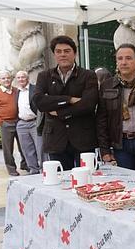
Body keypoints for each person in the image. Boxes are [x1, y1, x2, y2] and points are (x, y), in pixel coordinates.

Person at [34, 35, 98, 170]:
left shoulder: (88, 75)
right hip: (56, 139)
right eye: (58, 51)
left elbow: (88, 104)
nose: (63, 55)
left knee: (88, 180)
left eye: (67, 51)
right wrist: (69, 99)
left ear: (75, 53)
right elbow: (39, 102)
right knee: (60, 182)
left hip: (83, 138)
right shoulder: (44, 76)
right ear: (54, 54)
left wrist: (58, 111)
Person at [96, 43, 135, 175]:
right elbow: (102, 120)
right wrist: (105, 150)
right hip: (121, 145)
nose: (124, 62)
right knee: (127, 184)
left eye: (128, 58)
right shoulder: (107, 86)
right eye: (120, 58)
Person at [0, 70, 20, 176]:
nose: (6, 80)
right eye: (3, 78)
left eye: (8, 78)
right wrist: (1, 122)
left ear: (11, 79)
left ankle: (26, 165)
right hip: (6, 124)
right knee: (8, 149)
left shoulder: (16, 91)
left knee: (24, 146)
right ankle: (11, 169)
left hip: (19, 122)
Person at [14, 71, 43, 174]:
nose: (21, 79)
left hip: (35, 122)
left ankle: (44, 170)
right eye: (18, 78)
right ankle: (33, 170)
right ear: (16, 79)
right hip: (22, 124)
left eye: (23, 77)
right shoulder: (16, 92)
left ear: (27, 78)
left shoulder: (35, 89)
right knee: (27, 149)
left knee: (40, 148)